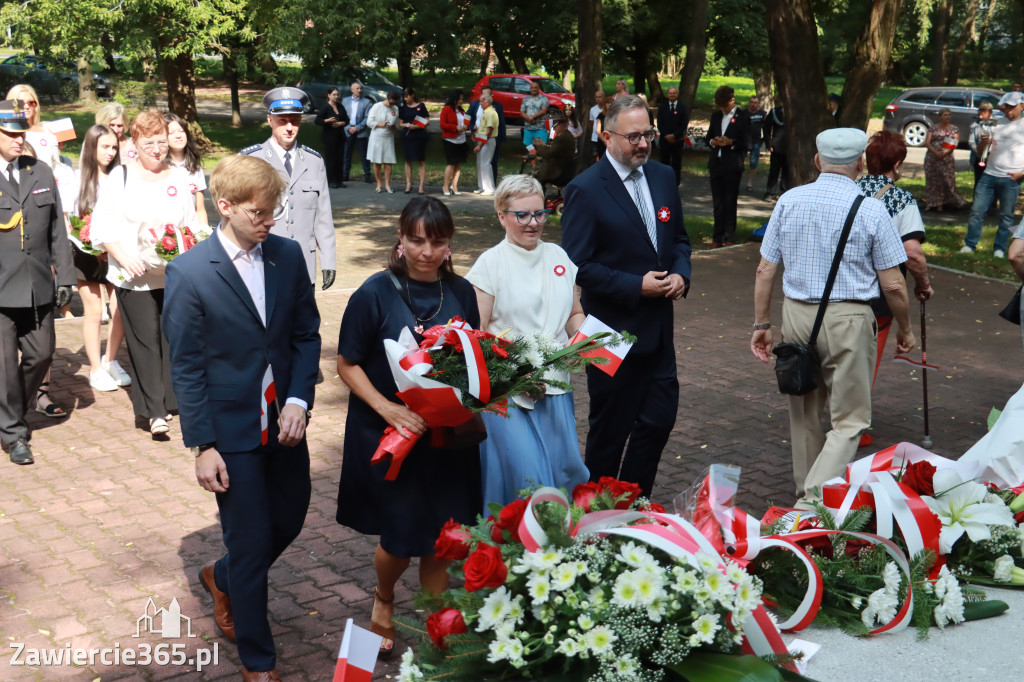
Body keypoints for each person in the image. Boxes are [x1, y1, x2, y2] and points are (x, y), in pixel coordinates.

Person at [163, 154, 321, 682]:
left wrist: (299, 399)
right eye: (258, 212)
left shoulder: (288, 256)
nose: (268, 220)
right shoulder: (188, 273)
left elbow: (305, 335)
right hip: (231, 430)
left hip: (285, 422)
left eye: (273, 210)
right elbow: (185, 367)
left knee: (291, 519)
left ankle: (221, 575)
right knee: (252, 542)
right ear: (224, 207)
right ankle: (259, 659)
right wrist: (202, 445)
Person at [336, 196, 481, 658]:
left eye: (437, 242)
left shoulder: (461, 292)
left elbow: (471, 362)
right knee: (399, 536)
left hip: (445, 438)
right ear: (400, 238)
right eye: (416, 240)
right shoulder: (373, 294)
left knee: (440, 534)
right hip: (391, 433)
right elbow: (347, 363)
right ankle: (384, 596)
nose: (425, 251)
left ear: (449, 244)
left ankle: (437, 622)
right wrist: (388, 409)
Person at [750, 128, 915, 505]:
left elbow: (764, 269)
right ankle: (812, 500)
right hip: (850, 320)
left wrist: (762, 324)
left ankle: (806, 489)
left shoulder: (790, 200)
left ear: (817, 160)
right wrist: (905, 328)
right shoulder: (872, 208)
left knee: (804, 410)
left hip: (795, 315)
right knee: (851, 420)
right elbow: (893, 285)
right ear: (860, 163)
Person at [561, 95, 691, 498]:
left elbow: (681, 241)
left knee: (658, 421)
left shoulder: (664, 177)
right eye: (633, 136)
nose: (643, 143)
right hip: (606, 335)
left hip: (658, 331)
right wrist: (637, 285)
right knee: (608, 432)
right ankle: (593, 522)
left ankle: (633, 505)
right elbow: (577, 265)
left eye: (647, 134)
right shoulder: (584, 189)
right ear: (606, 136)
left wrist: (682, 276)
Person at [467, 175, 588, 508]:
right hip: (509, 396)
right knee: (527, 480)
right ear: (501, 215)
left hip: (556, 389)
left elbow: (574, 313)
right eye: (522, 215)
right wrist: (514, 373)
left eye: (540, 214)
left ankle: (552, 553)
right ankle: (510, 551)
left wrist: (586, 342)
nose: (533, 223)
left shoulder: (559, 257)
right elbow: (477, 334)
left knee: (563, 473)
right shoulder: (490, 264)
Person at [91, 110, 198, 436]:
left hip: (173, 273)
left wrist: (189, 252)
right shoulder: (120, 178)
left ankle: (170, 398)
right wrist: (123, 258)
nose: (157, 149)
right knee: (145, 341)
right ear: (134, 143)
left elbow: (190, 225)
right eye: (149, 142)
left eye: (162, 142)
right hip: (133, 274)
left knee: (170, 338)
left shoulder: (179, 177)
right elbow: (101, 229)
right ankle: (152, 412)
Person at [0, 99, 73, 465]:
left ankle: (8, 413)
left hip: (38, 284)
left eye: (21, 132)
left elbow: (58, 228)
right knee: (3, 366)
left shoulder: (39, 171)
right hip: (0, 289)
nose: (18, 139)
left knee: (41, 355)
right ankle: (14, 434)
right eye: (10, 133)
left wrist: (66, 275)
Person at [856, 129, 934, 397]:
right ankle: (854, 427)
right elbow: (912, 253)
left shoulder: (848, 191)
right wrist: (922, 283)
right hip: (876, 297)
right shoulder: (901, 200)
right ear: (898, 164)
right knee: (864, 365)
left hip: (833, 289)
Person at [241, 87, 336, 290]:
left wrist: (328, 261)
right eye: (282, 121)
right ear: (270, 120)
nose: (289, 127)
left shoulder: (314, 161)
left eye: (294, 121)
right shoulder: (251, 160)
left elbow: (323, 217)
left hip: (303, 265)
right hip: (263, 263)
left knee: (304, 322)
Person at [74, 124, 131, 393]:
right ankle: (95, 369)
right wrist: (90, 245)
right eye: (104, 147)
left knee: (119, 308)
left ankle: (111, 360)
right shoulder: (78, 179)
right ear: (92, 147)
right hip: (85, 253)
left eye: (114, 147)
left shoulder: (121, 177)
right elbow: (69, 220)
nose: (110, 152)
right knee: (95, 312)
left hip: (116, 252)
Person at [964, 92, 1024, 258]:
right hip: (989, 174)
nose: (1008, 110)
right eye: (1006, 107)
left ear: (1022, 106)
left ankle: (999, 248)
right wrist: (983, 142)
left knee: (1006, 216)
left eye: (1012, 107)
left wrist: (1021, 173)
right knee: (977, 211)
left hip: (1011, 178)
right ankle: (970, 244)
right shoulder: (995, 123)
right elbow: (981, 152)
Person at [705, 85, 749, 248]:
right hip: (716, 163)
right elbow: (708, 138)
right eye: (720, 106)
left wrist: (732, 142)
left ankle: (729, 236)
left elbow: (747, 142)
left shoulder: (743, 116)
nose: (723, 109)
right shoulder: (716, 116)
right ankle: (717, 237)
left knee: (730, 201)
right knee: (718, 203)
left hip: (732, 164)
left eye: (726, 105)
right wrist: (713, 142)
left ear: (732, 100)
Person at [164, 113, 209, 226]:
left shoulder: (196, 168)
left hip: (191, 234)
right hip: (166, 236)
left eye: (181, 131)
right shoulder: (159, 168)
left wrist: (204, 234)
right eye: (172, 133)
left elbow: (200, 210)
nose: (178, 135)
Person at [923, 108, 966, 212]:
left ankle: (948, 203)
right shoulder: (933, 128)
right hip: (932, 158)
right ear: (940, 117)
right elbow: (927, 142)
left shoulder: (953, 129)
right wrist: (936, 152)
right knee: (933, 181)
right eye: (945, 115)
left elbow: (954, 142)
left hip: (946, 159)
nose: (947, 117)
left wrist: (944, 153)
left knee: (947, 180)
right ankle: (933, 203)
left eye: (949, 115)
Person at [314, 86, 349, 189]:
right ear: (329, 95)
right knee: (331, 159)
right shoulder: (325, 107)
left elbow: (347, 120)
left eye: (337, 94)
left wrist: (341, 123)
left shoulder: (340, 106)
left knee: (340, 158)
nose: (336, 96)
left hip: (340, 136)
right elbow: (317, 121)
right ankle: (331, 180)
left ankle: (339, 180)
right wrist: (327, 121)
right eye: (334, 94)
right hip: (329, 137)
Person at [367, 91, 399, 194]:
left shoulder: (396, 109)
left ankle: (388, 185)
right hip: (377, 136)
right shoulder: (377, 106)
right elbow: (369, 122)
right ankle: (379, 184)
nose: (392, 105)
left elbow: (397, 125)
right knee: (377, 161)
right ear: (387, 99)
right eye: (391, 103)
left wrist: (393, 127)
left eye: (394, 103)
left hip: (388, 136)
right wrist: (380, 124)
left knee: (388, 161)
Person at [656, 86, 688, 187]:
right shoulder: (662, 108)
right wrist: (666, 135)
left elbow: (684, 124)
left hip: (677, 141)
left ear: (677, 95)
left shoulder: (682, 108)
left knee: (676, 164)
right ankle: (664, 184)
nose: (672, 95)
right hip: (665, 141)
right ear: (667, 94)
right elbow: (660, 123)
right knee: (664, 163)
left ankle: (675, 184)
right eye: (670, 93)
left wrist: (674, 135)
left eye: (674, 93)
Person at [398, 88, 428, 195]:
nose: (405, 99)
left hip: (419, 135)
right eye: (404, 97)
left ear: (412, 95)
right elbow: (400, 123)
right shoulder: (403, 108)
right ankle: (408, 184)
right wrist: (405, 125)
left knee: (421, 160)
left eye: (407, 96)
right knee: (408, 160)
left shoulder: (421, 106)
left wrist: (416, 126)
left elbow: (427, 121)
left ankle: (421, 185)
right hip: (407, 136)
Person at [439, 89, 469, 196]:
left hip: (462, 140)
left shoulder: (462, 111)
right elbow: (442, 124)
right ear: (454, 99)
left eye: (462, 99)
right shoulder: (446, 109)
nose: (461, 101)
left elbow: (466, 122)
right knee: (451, 164)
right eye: (459, 99)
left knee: (458, 165)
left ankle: (454, 185)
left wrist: (466, 126)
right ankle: (445, 186)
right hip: (450, 140)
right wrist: (455, 127)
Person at [533, 115, 575, 192]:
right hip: (564, 168)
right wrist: (543, 145)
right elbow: (554, 149)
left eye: (556, 126)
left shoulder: (562, 137)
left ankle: (541, 198)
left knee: (537, 181)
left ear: (562, 126)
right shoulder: (566, 135)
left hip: (559, 171)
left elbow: (547, 154)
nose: (554, 128)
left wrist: (538, 146)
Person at [342, 82, 373, 183]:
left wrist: (358, 128)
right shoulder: (345, 101)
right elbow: (342, 116)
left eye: (360, 88)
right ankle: (345, 174)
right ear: (352, 90)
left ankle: (367, 174)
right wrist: (348, 127)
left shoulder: (366, 102)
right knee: (347, 153)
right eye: (357, 88)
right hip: (348, 130)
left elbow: (367, 117)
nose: (359, 90)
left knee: (364, 154)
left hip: (361, 131)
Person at [472, 93, 498, 196]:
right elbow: (482, 128)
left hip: (488, 141)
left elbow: (489, 131)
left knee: (485, 164)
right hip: (482, 139)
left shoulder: (491, 113)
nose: (480, 103)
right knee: (480, 164)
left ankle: (490, 188)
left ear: (487, 102)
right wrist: (476, 134)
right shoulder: (485, 111)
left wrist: (480, 145)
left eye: (482, 101)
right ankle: (482, 186)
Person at [520, 81, 549, 172]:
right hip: (528, 128)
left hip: (540, 128)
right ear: (530, 89)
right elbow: (522, 112)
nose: (533, 89)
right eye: (532, 88)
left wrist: (533, 117)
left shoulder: (543, 98)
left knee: (541, 147)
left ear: (538, 88)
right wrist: (528, 118)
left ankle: (544, 167)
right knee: (530, 147)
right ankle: (534, 167)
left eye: (535, 87)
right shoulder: (525, 99)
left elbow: (544, 110)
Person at [763, 103, 787, 200]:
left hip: (790, 148)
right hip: (776, 147)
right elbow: (766, 128)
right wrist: (769, 143)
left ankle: (784, 192)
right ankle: (770, 192)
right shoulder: (774, 112)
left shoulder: (796, 110)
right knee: (774, 171)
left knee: (787, 172)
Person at [969, 102, 996, 187]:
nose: (980, 112)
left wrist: (990, 155)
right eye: (979, 109)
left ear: (990, 112)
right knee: (979, 182)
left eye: (983, 110)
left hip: (993, 158)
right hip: (979, 157)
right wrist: (980, 153)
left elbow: (1000, 140)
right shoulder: (975, 124)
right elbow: (971, 142)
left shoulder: (996, 123)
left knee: (992, 184)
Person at [745, 96, 767, 191]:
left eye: (755, 102)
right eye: (751, 102)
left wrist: (764, 139)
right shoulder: (744, 113)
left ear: (758, 104)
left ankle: (749, 183)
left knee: (753, 163)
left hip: (756, 141)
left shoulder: (762, 114)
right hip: (744, 141)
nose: (753, 104)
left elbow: (766, 127)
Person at [589, 89, 606, 160]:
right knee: (596, 156)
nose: (598, 99)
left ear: (604, 97)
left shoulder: (607, 109)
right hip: (595, 137)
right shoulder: (592, 109)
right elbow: (591, 122)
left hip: (605, 136)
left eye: (600, 97)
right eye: (596, 97)